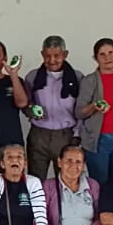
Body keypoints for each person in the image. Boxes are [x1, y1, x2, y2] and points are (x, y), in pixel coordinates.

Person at [24, 35, 83, 178]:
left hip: (66, 135)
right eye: (47, 56)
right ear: (42, 54)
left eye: (57, 56)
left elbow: (82, 109)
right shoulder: (32, 77)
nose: (52, 60)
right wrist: (31, 110)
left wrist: (77, 135)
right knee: (36, 180)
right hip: (39, 135)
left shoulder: (77, 77)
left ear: (65, 54)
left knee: (67, 179)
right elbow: (26, 104)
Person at [76, 38, 113, 184]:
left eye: (111, 53)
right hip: (100, 140)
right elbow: (79, 112)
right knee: (100, 183)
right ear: (96, 58)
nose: (107, 57)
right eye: (102, 54)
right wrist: (94, 106)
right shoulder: (90, 80)